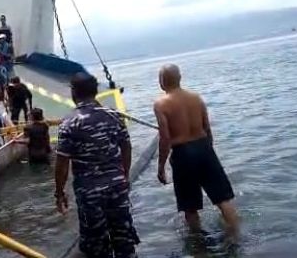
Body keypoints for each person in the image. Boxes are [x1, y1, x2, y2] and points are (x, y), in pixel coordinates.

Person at [55, 73, 139, 257]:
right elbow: (126, 147)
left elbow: (62, 162)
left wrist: (60, 192)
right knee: (124, 238)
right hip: (117, 186)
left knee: (96, 243)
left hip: (89, 192)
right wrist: (124, 176)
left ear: (74, 93)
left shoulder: (69, 123)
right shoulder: (114, 115)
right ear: (95, 91)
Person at [153, 64, 239, 237]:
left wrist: (161, 167)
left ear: (162, 82)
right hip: (204, 148)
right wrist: (208, 151)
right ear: (180, 78)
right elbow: (207, 128)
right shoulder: (196, 98)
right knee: (223, 199)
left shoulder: (161, 104)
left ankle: (199, 248)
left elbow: (165, 139)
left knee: (190, 206)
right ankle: (236, 238)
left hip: (183, 153)